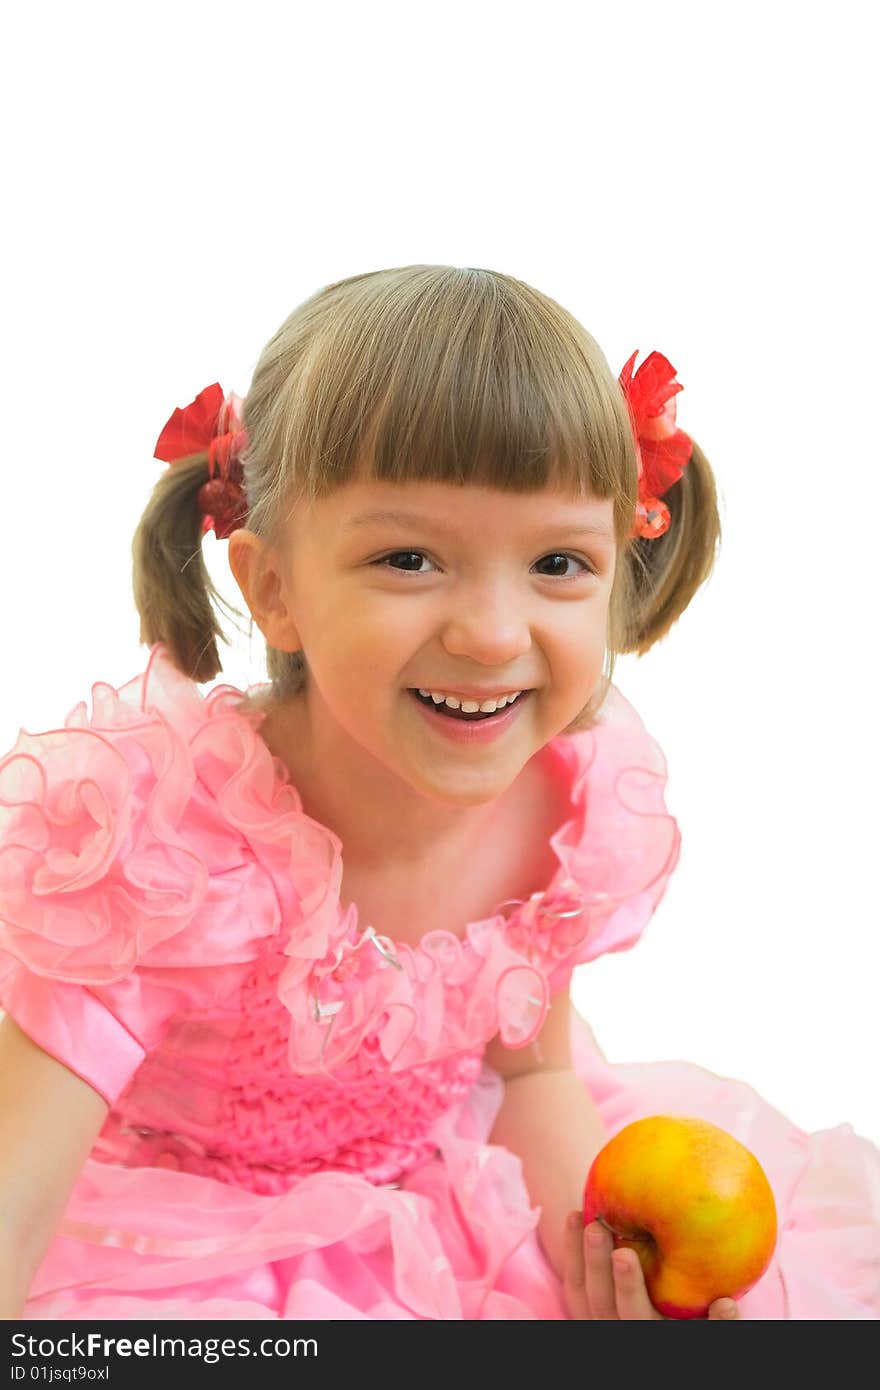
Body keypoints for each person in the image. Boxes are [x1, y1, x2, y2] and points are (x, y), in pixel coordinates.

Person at [0, 265, 877, 1322]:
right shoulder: (159, 847)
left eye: (558, 561)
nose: (494, 634)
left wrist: (603, 1277)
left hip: (437, 1204)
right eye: (409, 558)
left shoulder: (563, 812)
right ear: (273, 586)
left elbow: (533, 1069)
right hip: (164, 1245)